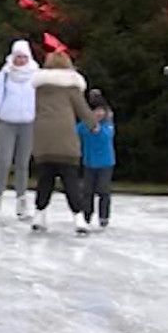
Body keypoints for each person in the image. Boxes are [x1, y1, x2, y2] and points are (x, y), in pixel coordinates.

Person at [30, 51, 98, 234]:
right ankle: (79, 219)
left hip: (42, 136)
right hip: (65, 137)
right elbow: (82, 110)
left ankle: (39, 215)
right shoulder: (71, 87)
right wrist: (93, 125)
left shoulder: (39, 88)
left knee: (45, 178)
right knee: (70, 180)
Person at [0, 40, 40, 220]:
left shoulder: (36, 75)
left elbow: (41, 101)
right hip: (7, 124)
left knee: (22, 164)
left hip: (28, 124)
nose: (20, 60)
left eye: (23, 57)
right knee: (4, 162)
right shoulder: (4, 75)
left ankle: (21, 202)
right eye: (17, 57)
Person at [77, 106, 115, 229]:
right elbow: (76, 130)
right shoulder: (85, 125)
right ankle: (86, 215)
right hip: (89, 163)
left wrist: (97, 129)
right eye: (95, 111)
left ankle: (104, 217)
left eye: (101, 111)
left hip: (105, 164)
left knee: (103, 190)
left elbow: (106, 136)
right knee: (87, 191)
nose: (98, 114)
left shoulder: (108, 125)